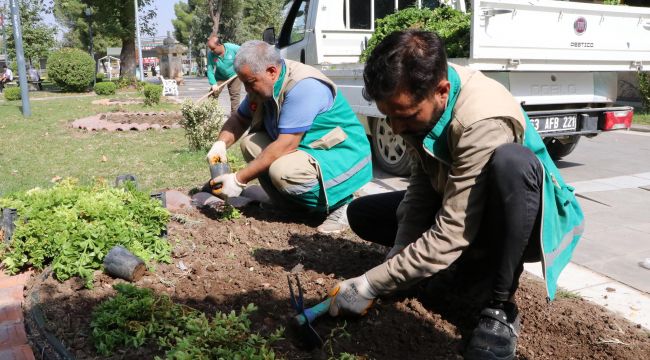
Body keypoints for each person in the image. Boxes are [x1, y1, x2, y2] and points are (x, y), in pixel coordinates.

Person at [326, 30, 584, 360]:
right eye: (388, 116)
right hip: (463, 202)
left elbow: (454, 229)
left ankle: (499, 307)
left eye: (403, 117)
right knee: (364, 214)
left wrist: (371, 283)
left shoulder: (483, 119)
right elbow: (420, 192)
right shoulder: (420, 101)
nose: (396, 128)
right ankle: (452, 270)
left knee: (512, 164)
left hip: (526, 223)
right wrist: (395, 263)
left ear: (442, 91)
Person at [207, 40, 373, 234]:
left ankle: (346, 202)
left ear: (271, 71)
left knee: (283, 170)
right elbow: (240, 119)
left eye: (250, 83)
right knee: (250, 144)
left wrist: (238, 179)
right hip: (307, 150)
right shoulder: (263, 86)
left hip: (341, 156)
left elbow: (286, 145)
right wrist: (220, 143)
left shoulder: (303, 87)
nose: (247, 90)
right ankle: (289, 205)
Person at [206, 36, 242, 114]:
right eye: (210, 49)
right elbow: (210, 70)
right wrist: (213, 84)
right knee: (212, 94)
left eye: (213, 48)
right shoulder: (211, 55)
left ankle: (234, 116)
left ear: (219, 45)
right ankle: (210, 114)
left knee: (235, 96)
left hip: (234, 75)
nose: (212, 51)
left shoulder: (232, 48)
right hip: (220, 76)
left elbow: (245, 53)